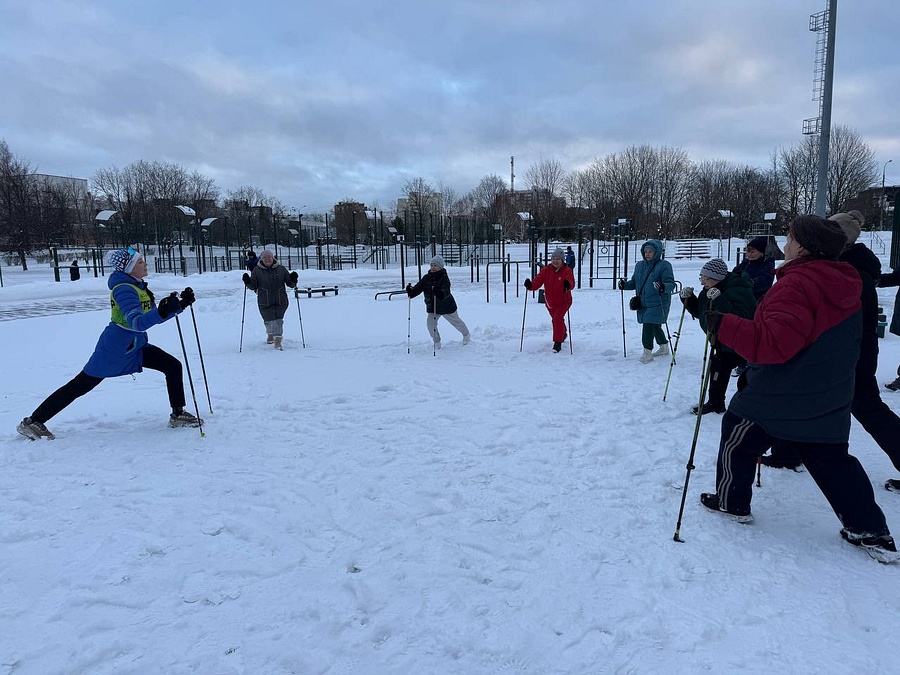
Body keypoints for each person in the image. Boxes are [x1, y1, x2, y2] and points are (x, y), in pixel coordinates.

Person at [700, 215, 896, 560]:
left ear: (803, 246)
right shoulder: (846, 280)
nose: (785, 245)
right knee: (832, 460)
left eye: (789, 239)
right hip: (828, 393)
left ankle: (732, 502)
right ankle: (870, 529)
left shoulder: (798, 284)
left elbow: (774, 344)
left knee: (737, 433)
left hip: (781, 394)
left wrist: (725, 326)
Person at [763, 211, 900, 490]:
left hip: (851, 353)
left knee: (867, 407)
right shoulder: (844, 266)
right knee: (802, 399)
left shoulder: (849, 272)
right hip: (844, 351)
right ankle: (787, 453)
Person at [16, 248, 201, 440]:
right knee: (80, 385)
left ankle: (178, 414)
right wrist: (162, 312)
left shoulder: (137, 286)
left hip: (135, 345)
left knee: (172, 366)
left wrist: (179, 306)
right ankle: (32, 422)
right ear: (128, 268)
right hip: (115, 349)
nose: (145, 263)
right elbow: (137, 322)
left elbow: (151, 319)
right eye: (139, 262)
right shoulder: (123, 290)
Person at [678, 258, 756, 415]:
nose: (702, 282)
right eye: (701, 277)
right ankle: (716, 402)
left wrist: (719, 300)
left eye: (706, 278)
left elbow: (741, 316)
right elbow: (701, 313)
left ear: (717, 278)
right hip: (721, 340)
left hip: (739, 341)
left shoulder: (738, 289)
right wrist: (688, 300)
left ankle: (728, 404)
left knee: (724, 368)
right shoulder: (710, 289)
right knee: (718, 367)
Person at [618, 239, 675, 363]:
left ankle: (647, 352)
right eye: (645, 252)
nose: (647, 254)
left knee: (648, 324)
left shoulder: (664, 265)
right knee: (655, 325)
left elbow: (671, 283)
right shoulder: (639, 265)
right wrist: (624, 285)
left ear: (657, 252)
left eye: (650, 252)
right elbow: (634, 282)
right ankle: (664, 346)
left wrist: (663, 287)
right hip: (643, 302)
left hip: (659, 301)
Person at [407, 255, 470, 348]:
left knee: (456, 322)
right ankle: (437, 341)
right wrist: (411, 291)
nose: (433, 267)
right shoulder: (426, 278)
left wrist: (440, 293)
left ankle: (466, 334)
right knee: (430, 324)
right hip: (432, 306)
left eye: (435, 265)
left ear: (441, 267)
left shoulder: (444, 277)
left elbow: (446, 290)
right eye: (431, 265)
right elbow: (418, 288)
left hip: (446, 306)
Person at [242, 249, 298, 350]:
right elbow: (253, 286)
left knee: (278, 321)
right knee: (268, 321)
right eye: (265, 258)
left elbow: (290, 284)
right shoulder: (256, 271)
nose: (267, 259)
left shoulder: (281, 269)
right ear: (261, 259)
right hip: (264, 300)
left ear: (273, 258)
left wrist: (293, 280)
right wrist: (248, 282)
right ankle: (270, 334)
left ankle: (277, 341)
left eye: (269, 257)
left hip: (281, 300)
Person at [524, 248, 575, 353]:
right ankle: (563, 333)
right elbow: (538, 281)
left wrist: (567, 285)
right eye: (553, 259)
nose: (555, 261)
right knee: (558, 320)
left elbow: (571, 281)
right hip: (550, 303)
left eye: (558, 259)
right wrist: (530, 285)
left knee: (557, 319)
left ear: (562, 260)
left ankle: (557, 343)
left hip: (564, 301)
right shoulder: (546, 270)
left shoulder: (567, 270)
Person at [732, 237, 775, 301]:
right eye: (748, 251)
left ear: (761, 252)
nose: (749, 254)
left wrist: (751, 282)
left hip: (758, 300)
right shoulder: (744, 264)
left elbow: (766, 280)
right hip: (742, 298)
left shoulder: (767, 265)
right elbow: (733, 275)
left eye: (752, 252)